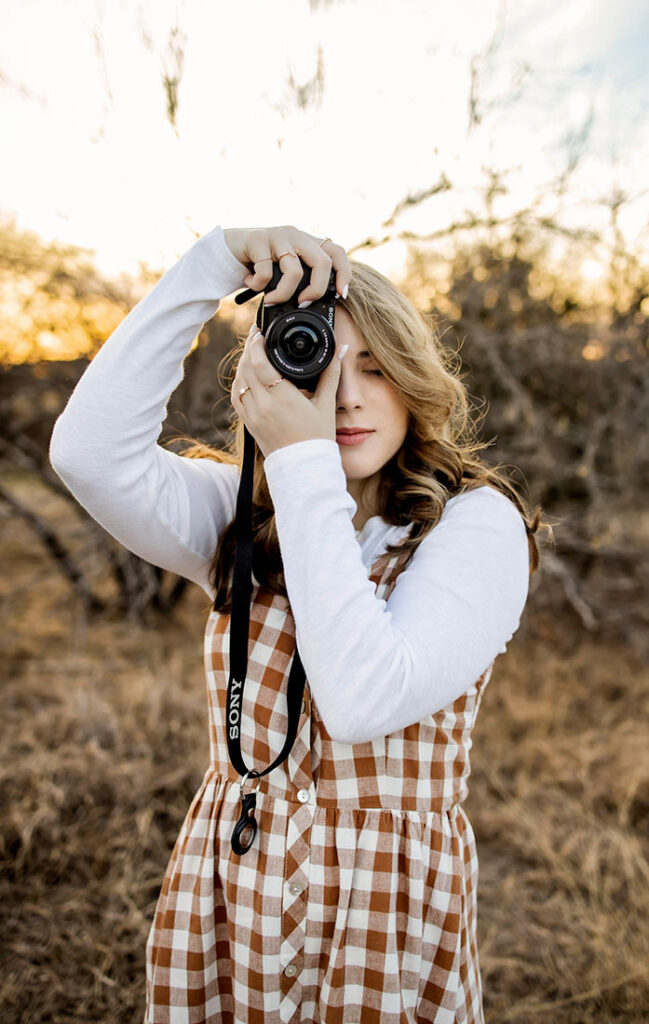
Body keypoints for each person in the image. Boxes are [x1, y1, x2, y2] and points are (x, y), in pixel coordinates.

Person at [49, 223, 544, 1024]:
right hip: (235, 890)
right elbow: (87, 455)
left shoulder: (475, 525)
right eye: (311, 359)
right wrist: (212, 262)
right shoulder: (247, 512)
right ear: (264, 377)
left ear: (414, 381)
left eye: (376, 370)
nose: (345, 398)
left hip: (383, 916)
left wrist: (302, 456)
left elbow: (360, 699)